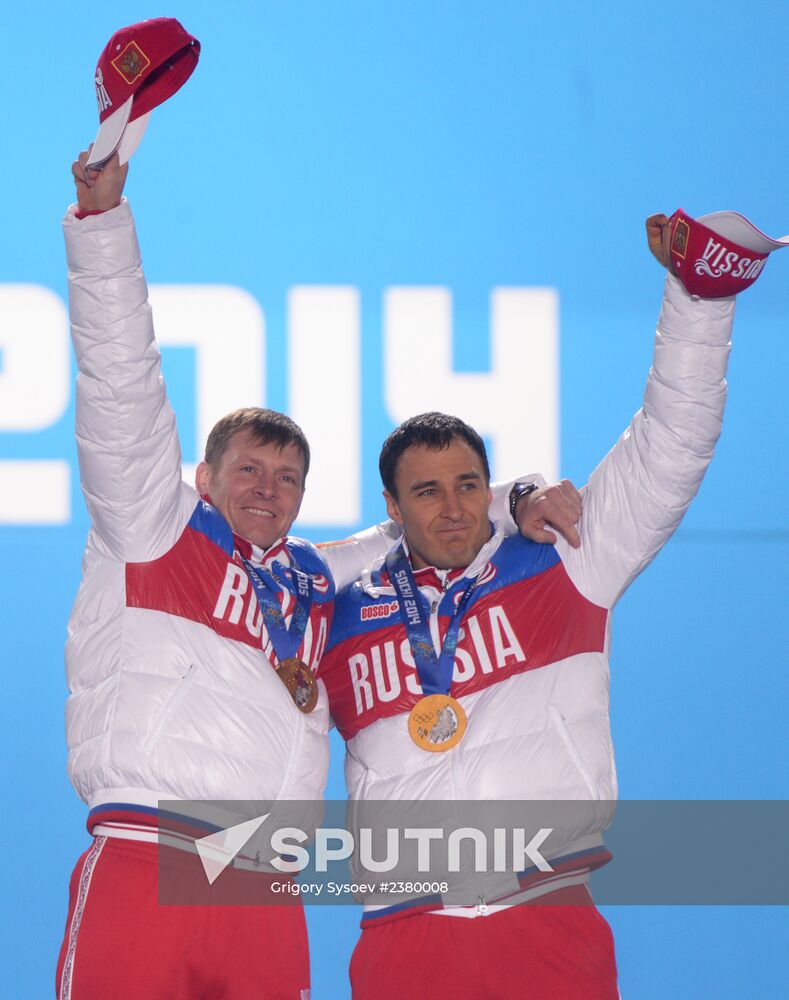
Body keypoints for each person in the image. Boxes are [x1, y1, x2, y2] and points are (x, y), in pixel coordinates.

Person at [57, 149, 582, 1000]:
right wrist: (102, 223)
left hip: (269, 891)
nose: (268, 489)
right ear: (203, 477)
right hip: (153, 855)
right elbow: (120, 384)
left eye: (288, 479)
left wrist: (513, 496)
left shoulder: (315, 578)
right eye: (249, 470)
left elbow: (423, 519)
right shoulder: (149, 529)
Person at [317, 215, 736, 999]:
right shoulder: (334, 617)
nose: (452, 508)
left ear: (489, 486)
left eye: (468, 486)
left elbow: (668, 447)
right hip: (405, 939)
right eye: (426, 491)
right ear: (391, 508)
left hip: (544, 919)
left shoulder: (563, 554)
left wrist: (699, 302)